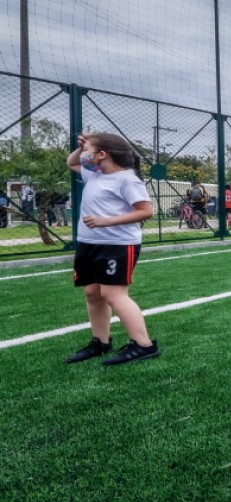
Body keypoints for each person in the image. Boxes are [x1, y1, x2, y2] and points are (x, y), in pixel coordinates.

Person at [65, 132, 160, 366]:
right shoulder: (94, 173)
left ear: (102, 154)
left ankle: (144, 345)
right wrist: (81, 148)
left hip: (117, 244)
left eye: (87, 150)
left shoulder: (127, 180)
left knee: (113, 295)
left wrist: (105, 221)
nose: (84, 155)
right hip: (89, 243)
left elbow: (146, 211)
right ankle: (101, 342)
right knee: (92, 293)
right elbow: (72, 163)